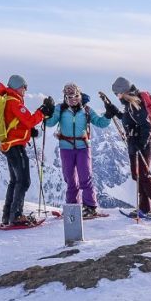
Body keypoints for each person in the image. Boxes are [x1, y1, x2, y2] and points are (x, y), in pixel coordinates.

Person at [103, 76, 151, 216]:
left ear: (124, 91)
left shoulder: (135, 103)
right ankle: (145, 208)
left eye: (117, 93)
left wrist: (140, 143)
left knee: (144, 175)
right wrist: (115, 111)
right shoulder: (130, 104)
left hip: (141, 145)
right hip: (135, 143)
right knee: (138, 175)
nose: (117, 96)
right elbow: (129, 119)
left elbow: (147, 126)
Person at [43, 82, 111, 217]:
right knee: (70, 179)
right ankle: (72, 207)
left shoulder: (86, 110)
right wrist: (47, 112)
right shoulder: (60, 109)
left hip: (83, 147)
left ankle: (90, 207)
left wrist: (108, 115)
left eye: (75, 96)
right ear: (65, 98)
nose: (73, 99)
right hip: (66, 148)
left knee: (85, 177)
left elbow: (100, 122)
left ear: (80, 95)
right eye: (69, 97)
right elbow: (50, 123)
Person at [0, 75, 49, 226]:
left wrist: (30, 132)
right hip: (15, 146)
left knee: (14, 181)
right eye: (25, 87)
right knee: (23, 181)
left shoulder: (8, 101)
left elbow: (16, 123)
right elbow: (29, 119)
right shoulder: (14, 102)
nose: (26, 90)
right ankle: (16, 215)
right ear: (18, 87)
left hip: (9, 145)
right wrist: (42, 111)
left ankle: (8, 216)